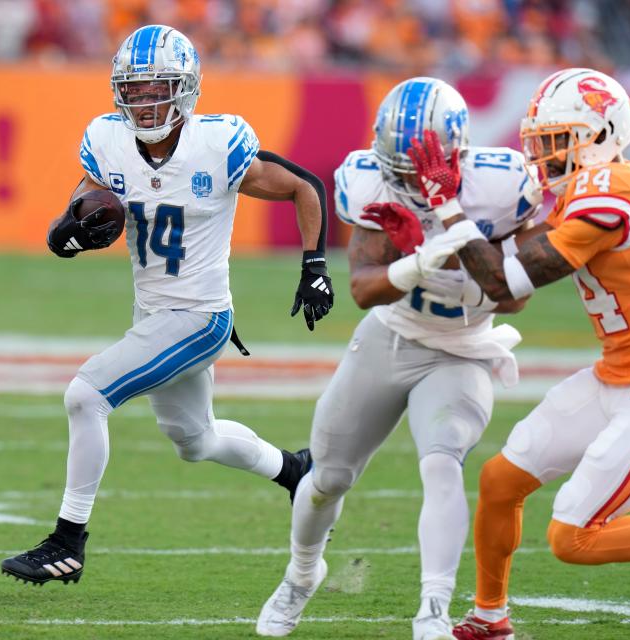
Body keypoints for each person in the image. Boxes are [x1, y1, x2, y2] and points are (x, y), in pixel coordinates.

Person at [1, 24, 334, 587]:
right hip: (154, 314)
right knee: (195, 441)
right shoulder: (108, 141)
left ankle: (67, 542)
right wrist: (69, 232)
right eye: (134, 89)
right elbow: (83, 205)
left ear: (185, 90)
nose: (145, 100)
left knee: (86, 397)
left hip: (200, 317)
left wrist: (315, 268)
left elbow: (303, 185)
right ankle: (295, 470)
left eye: (158, 88)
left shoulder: (217, 143)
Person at [256, 77, 542, 640]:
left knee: (442, 463)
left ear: (456, 151)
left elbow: (515, 296)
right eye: (398, 165)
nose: (407, 178)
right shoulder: (368, 178)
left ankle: (432, 609)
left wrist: (452, 219)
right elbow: (362, 288)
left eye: (420, 167)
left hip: (461, 347)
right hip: (391, 335)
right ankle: (302, 573)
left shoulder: (501, 183)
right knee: (326, 478)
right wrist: (413, 264)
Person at [391, 69, 630, 640]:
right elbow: (496, 252)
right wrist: (424, 235)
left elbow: (504, 283)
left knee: (574, 538)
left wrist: (447, 206)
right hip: (619, 371)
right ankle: (490, 617)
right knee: (500, 480)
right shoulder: (597, 189)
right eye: (542, 140)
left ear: (604, 132)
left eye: (559, 138)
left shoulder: (610, 192)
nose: (545, 154)